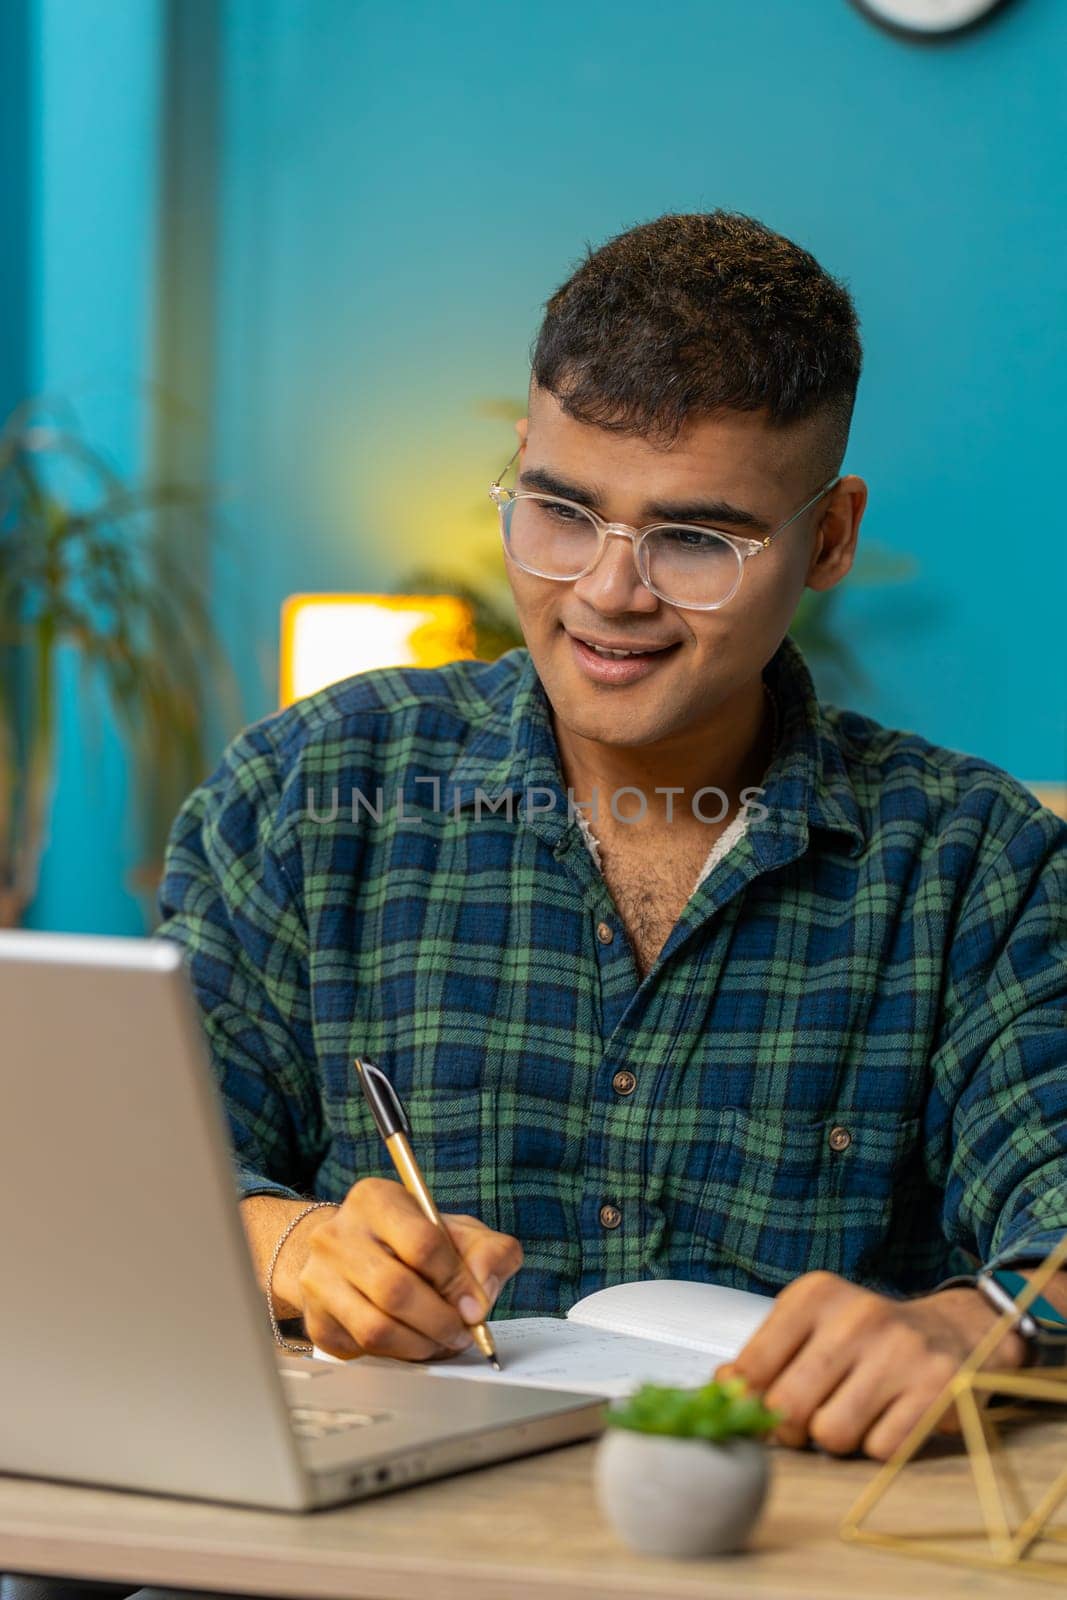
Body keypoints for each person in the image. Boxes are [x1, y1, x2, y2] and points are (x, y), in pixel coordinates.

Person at [161, 210, 1060, 1463]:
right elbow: (118, 1187)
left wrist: (983, 1324)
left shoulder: (974, 867)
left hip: (776, 1560)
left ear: (830, 538)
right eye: (560, 510)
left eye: (694, 538)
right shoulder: (304, 796)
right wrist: (289, 1243)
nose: (606, 592)